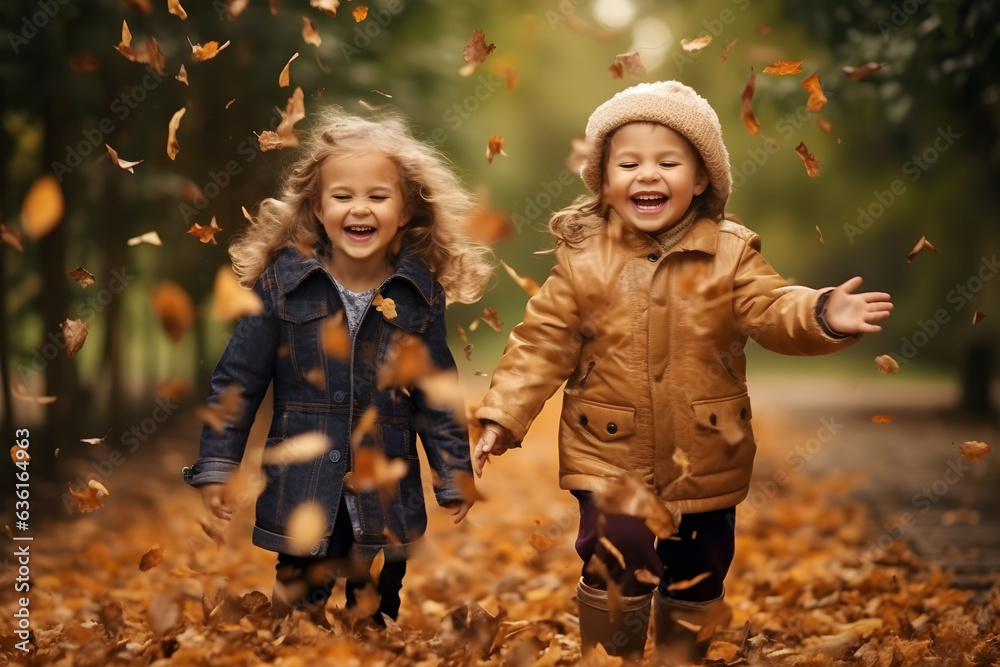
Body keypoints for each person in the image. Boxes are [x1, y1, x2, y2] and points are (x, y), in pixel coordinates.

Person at [472, 81, 893, 662]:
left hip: (706, 448)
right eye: (629, 163)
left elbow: (772, 308)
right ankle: (612, 651)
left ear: (700, 181)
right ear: (604, 180)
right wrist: (499, 418)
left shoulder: (730, 253)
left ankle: (680, 653)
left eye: (668, 162)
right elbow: (541, 343)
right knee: (615, 554)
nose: (648, 174)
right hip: (608, 450)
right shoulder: (583, 263)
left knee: (699, 569)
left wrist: (821, 311)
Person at [183, 106, 491, 626]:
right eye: (342, 196)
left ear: (407, 209)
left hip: (385, 487)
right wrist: (217, 464)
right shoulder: (284, 284)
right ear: (317, 208)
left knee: (375, 613)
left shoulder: (418, 296)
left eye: (377, 196)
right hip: (302, 482)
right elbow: (237, 380)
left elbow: (436, 395)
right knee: (296, 613)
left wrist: (453, 473)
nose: (359, 209)